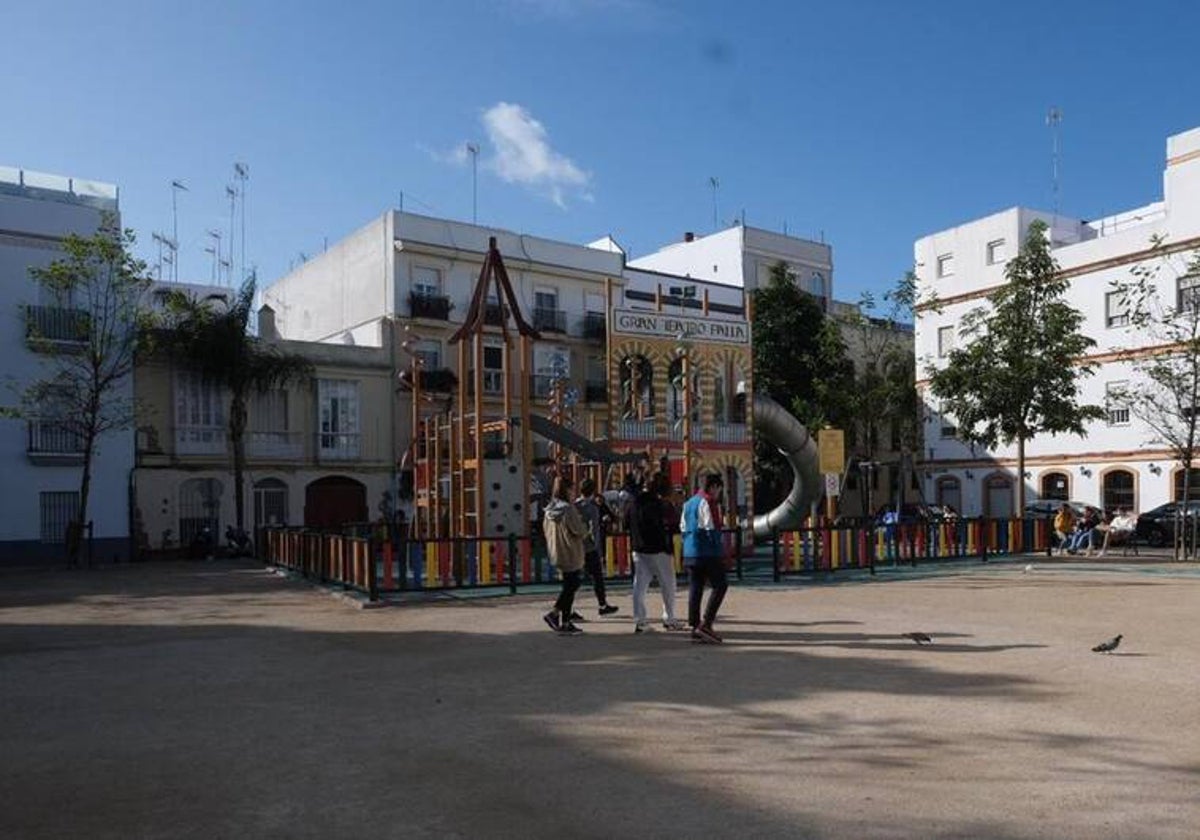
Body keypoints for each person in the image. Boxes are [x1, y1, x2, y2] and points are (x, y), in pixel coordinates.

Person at [627, 472, 684, 633]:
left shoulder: (634, 502)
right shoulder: (660, 504)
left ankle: (640, 621)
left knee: (640, 584)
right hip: (658, 548)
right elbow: (672, 525)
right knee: (668, 583)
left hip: (638, 548)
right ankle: (669, 618)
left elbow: (625, 522)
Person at [680, 473, 728, 644]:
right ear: (713, 487)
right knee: (720, 585)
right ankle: (706, 623)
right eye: (718, 488)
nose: (719, 492)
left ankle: (695, 626)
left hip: (690, 551)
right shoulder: (709, 502)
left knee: (696, 587)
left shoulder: (688, 503)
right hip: (707, 551)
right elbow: (711, 527)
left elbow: (683, 528)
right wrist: (720, 550)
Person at [542, 476, 589, 635]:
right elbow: (579, 530)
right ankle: (557, 616)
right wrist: (585, 527)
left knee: (570, 585)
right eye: (572, 489)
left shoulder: (549, 509)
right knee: (571, 586)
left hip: (556, 551)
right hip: (571, 551)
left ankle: (563, 619)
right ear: (567, 490)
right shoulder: (568, 509)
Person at [575, 478, 619, 618]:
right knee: (597, 577)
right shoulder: (592, 507)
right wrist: (597, 547)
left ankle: (568, 608)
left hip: (577, 545)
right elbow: (593, 528)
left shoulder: (575, 505)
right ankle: (602, 604)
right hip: (590, 547)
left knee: (575, 577)